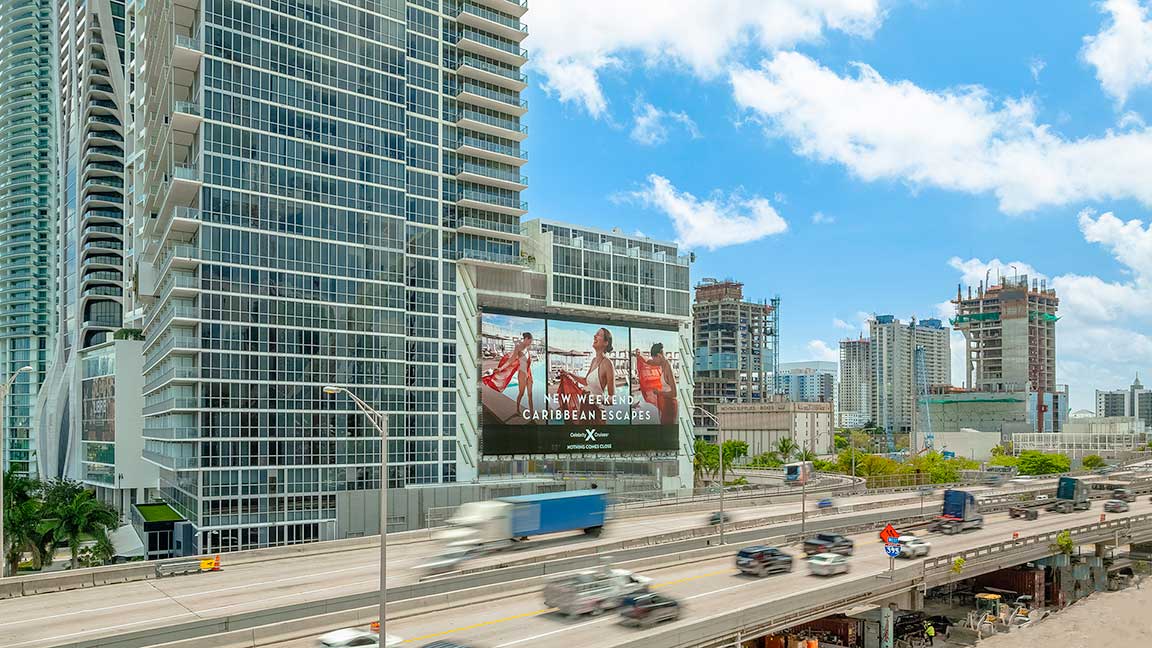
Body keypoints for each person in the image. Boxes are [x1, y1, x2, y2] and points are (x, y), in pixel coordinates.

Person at [566, 327, 615, 423]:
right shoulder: (593, 361)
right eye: (595, 334)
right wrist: (570, 374)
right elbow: (585, 381)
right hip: (585, 409)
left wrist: (594, 397)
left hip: (596, 413)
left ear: (606, 343)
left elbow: (611, 399)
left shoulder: (608, 363)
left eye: (598, 335)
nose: (594, 336)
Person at [512, 332, 535, 417]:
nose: (530, 343)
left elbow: (528, 363)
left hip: (529, 374)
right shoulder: (518, 347)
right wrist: (501, 368)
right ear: (526, 339)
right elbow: (511, 359)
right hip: (522, 374)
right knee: (521, 393)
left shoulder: (527, 349)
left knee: (530, 395)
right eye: (530, 341)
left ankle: (532, 414)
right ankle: (517, 409)